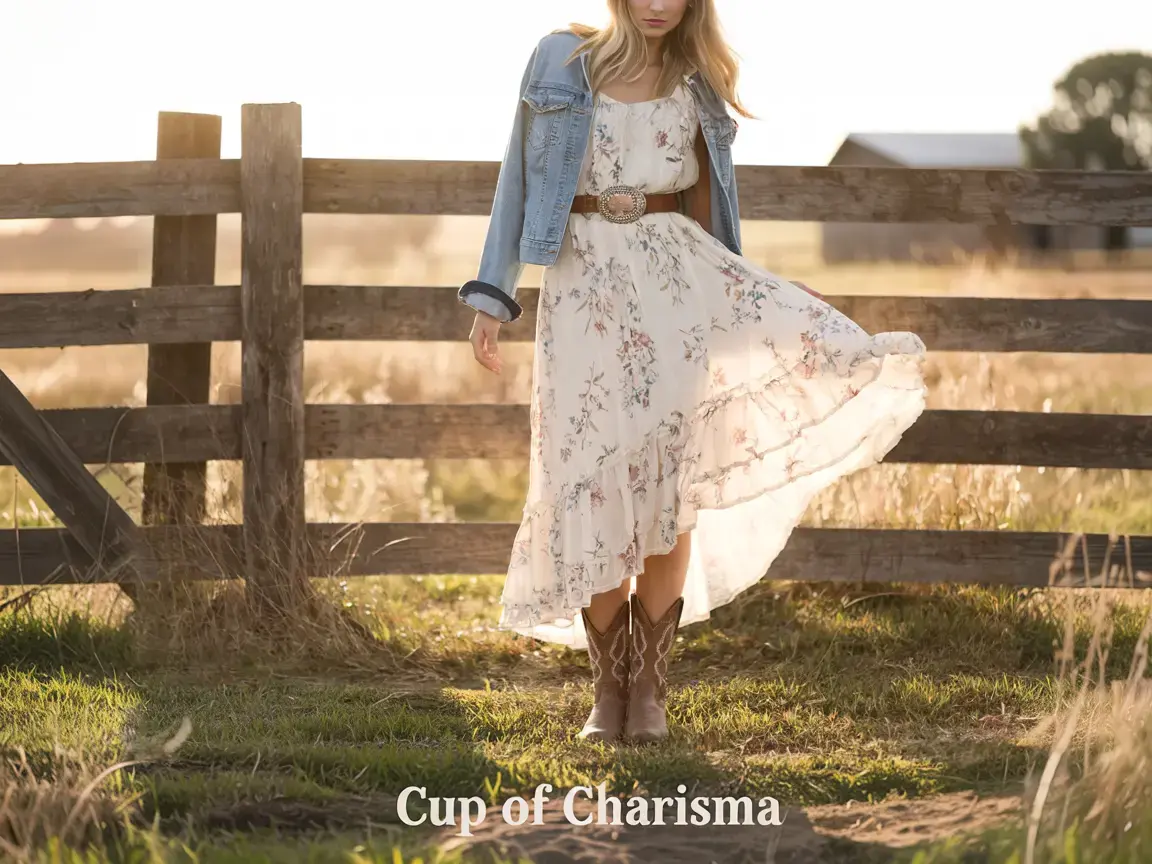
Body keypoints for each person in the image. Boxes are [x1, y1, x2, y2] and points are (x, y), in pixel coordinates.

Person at [458, 0, 926, 744]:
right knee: (595, 484)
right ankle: (604, 694)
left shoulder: (698, 79)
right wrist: (494, 295)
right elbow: (516, 180)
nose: (656, 6)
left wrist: (750, 300)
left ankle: (648, 692)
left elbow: (713, 212)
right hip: (580, 291)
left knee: (666, 491)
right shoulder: (558, 61)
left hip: (677, 290)